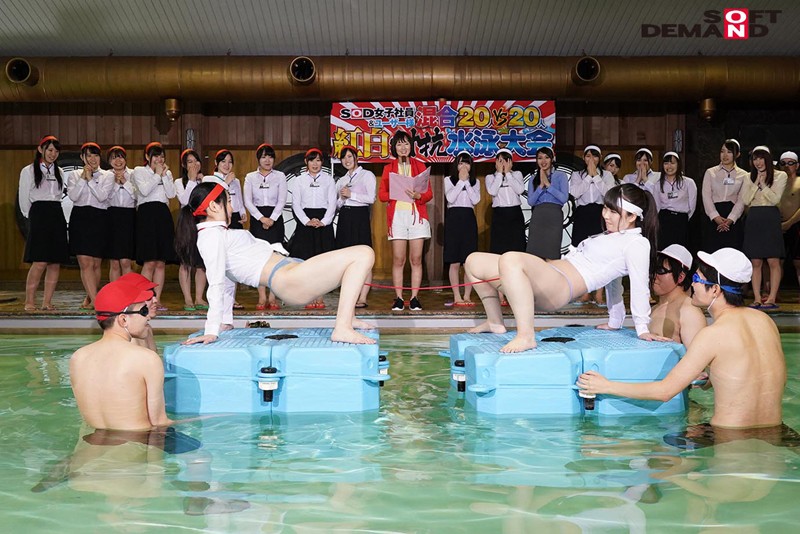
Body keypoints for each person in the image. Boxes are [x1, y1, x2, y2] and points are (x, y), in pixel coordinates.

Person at [578, 247, 786, 430]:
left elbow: (664, 391)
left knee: (654, 452)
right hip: (777, 430)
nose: (692, 285)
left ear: (715, 289)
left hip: (729, 436)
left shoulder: (712, 335)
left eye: (697, 279)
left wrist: (605, 386)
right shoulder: (765, 321)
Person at [465, 184, 668, 353]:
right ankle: (495, 322)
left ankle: (526, 336)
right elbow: (613, 281)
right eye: (605, 208)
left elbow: (639, 286)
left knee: (511, 259)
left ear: (632, 216)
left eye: (613, 211)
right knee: (473, 261)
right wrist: (615, 321)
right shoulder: (611, 236)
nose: (606, 215)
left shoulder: (637, 243)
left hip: (560, 287)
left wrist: (642, 328)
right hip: (549, 275)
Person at [176, 182, 375, 345]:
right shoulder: (211, 237)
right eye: (228, 201)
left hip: (292, 274)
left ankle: (347, 319)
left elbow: (227, 280)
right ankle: (342, 327)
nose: (232, 207)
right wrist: (212, 329)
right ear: (213, 206)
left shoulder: (217, 234)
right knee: (364, 253)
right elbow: (217, 282)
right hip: (289, 280)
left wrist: (226, 321)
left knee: (355, 261)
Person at [70, 280, 172, 430]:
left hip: (89, 442)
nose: (148, 317)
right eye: (144, 311)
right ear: (123, 319)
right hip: (135, 443)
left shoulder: (78, 357)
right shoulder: (146, 359)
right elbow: (159, 423)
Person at [379, 130, 433, 311]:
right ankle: (399, 298)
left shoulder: (420, 165)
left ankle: (415, 298)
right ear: (394, 147)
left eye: (406, 143)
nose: (403, 147)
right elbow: (382, 195)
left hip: (417, 216)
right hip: (398, 217)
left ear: (411, 146)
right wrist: (394, 193)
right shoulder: (389, 168)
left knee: (416, 259)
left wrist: (419, 195)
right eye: (399, 144)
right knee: (398, 259)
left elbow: (429, 193)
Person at [18, 135, 69, 311]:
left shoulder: (60, 171)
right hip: (39, 214)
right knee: (39, 262)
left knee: (55, 262)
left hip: (56, 213)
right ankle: (29, 301)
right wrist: (31, 217)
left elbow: (60, 194)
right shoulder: (28, 170)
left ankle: (47, 302)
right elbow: (24, 197)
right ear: (41, 150)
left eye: (56, 151)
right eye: (50, 150)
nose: (53, 154)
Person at [67, 142, 114, 309]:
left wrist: (90, 180)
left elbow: (102, 196)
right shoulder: (74, 175)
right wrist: (83, 179)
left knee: (95, 263)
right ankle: (95, 300)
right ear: (82, 157)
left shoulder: (108, 175)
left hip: (99, 217)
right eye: (89, 155)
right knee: (85, 262)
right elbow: (73, 196)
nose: (93, 159)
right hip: (80, 217)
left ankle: (90, 296)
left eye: (95, 155)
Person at [289, 148, 337, 309]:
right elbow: (296, 204)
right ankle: (308, 295)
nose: (315, 164)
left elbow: (332, 203)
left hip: (324, 223)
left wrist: (324, 221)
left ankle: (320, 296)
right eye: (311, 160)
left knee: (322, 261)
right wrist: (306, 221)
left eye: (318, 160)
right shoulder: (299, 180)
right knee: (306, 261)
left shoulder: (329, 180)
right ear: (306, 162)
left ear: (322, 162)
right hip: (305, 223)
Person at [132, 141, 177, 304]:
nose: (159, 159)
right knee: (149, 261)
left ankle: (156, 299)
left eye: (162, 156)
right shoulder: (139, 171)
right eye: (156, 156)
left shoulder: (167, 173)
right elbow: (144, 191)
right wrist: (157, 174)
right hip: (147, 215)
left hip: (163, 214)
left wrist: (164, 176)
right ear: (147, 156)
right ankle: (144, 299)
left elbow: (171, 194)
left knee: (160, 262)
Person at [742, 146, 787, 309]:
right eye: (755, 159)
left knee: (773, 260)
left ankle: (772, 298)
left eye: (761, 158)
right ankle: (757, 297)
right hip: (754, 217)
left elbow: (775, 199)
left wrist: (763, 184)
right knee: (755, 261)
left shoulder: (780, 175)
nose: (758, 162)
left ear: (768, 159)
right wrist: (756, 183)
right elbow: (746, 200)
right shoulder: (748, 177)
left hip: (770, 216)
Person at [244, 143, 287, 311]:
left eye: (270, 157)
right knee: (260, 259)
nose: (267, 160)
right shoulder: (250, 177)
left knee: (276, 258)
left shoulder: (280, 176)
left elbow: (282, 200)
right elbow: (248, 201)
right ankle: (262, 296)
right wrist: (261, 218)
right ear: (258, 159)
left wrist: (272, 219)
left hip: (275, 219)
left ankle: (273, 296)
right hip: (257, 219)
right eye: (264, 157)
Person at [569, 144, 615, 304]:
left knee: (601, 254)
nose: (591, 159)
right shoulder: (577, 175)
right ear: (583, 158)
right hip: (582, 214)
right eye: (588, 156)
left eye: (594, 156)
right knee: (582, 253)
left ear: (599, 158)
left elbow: (608, 194)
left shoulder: (607, 175)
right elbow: (575, 193)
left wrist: (596, 176)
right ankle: (585, 292)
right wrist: (588, 176)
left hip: (600, 214)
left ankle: (599, 293)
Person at [335, 145, 376, 308]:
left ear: (356, 158)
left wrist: (352, 195)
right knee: (345, 257)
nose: (347, 160)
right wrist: (342, 199)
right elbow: (337, 204)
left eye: (349, 156)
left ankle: (363, 297)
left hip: (360, 217)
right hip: (345, 217)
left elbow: (371, 198)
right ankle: (348, 297)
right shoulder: (341, 180)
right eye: (343, 157)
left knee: (364, 256)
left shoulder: (367, 175)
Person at [485, 148, 526, 306]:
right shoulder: (490, 177)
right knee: (499, 255)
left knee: (516, 253)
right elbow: (492, 191)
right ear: (495, 162)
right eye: (500, 161)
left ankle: (516, 292)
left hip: (515, 215)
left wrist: (508, 173)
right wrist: (499, 174)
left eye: (506, 160)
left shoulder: (517, 175)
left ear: (511, 162)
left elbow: (520, 190)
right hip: (500, 216)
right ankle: (500, 294)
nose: (503, 164)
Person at [443, 151, 480, 306]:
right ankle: (457, 296)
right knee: (454, 261)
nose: (464, 166)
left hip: (468, 219)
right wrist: (460, 181)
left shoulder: (475, 182)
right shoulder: (448, 180)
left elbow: (475, 200)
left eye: (467, 163)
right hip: (454, 219)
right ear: (456, 165)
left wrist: (466, 182)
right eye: (460, 163)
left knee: (468, 262)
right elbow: (450, 198)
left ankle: (467, 296)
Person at [650, 244, 706, 346]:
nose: (654, 275)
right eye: (653, 270)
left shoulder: (689, 311)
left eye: (661, 270)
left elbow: (697, 354)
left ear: (680, 277)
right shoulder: (654, 309)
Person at [174, 149, 208, 312]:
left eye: (196, 161)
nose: (194, 164)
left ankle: (199, 297)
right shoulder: (179, 182)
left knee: (201, 263)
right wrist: (192, 180)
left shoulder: (205, 181)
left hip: (202, 220)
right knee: (185, 262)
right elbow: (185, 200)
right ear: (184, 165)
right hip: (186, 221)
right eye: (189, 162)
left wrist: (200, 181)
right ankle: (188, 298)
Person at [701, 139, 749, 253]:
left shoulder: (744, 175)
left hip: (732, 217)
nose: (725, 155)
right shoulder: (710, 172)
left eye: (729, 152)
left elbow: (741, 200)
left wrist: (731, 219)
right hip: (714, 216)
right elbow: (706, 196)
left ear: (737, 154)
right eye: (722, 151)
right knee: (713, 252)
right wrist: (715, 217)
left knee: (732, 252)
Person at [526, 146, 568, 260]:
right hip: (538, 215)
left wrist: (548, 185)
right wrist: (541, 186)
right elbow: (531, 201)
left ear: (552, 159)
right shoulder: (533, 179)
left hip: (554, 216)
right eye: (540, 158)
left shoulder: (561, 176)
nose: (543, 161)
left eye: (546, 157)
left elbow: (564, 198)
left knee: (552, 250)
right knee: (534, 252)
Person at [652, 152, 697, 249]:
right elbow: (657, 206)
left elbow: (692, 205)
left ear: (678, 164)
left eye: (672, 163)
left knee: (680, 250)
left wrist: (683, 219)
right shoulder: (658, 184)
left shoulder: (688, 183)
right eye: (666, 163)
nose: (669, 166)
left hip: (681, 221)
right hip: (664, 220)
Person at [106, 146, 136, 281]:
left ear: (125, 159)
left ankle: (128, 292)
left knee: (126, 261)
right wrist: (116, 184)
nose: (118, 161)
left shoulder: (133, 174)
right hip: (111, 217)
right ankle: (115, 293)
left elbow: (138, 196)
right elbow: (104, 197)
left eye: (120, 157)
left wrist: (125, 182)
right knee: (114, 262)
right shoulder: (106, 175)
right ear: (109, 161)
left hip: (129, 217)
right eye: (114, 158)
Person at [118, 271, 159, 352]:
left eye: (154, 295)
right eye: (148, 297)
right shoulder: (128, 341)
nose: (155, 300)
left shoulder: (146, 329)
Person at [778, 151, 800, 298]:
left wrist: (789, 222)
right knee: (776, 261)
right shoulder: (776, 183)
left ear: (797, 165)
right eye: (783, 163)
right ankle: (773, 293)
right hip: (778, 227)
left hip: (796, 225)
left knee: (798, 262)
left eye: (790, 163)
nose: (787, 166)